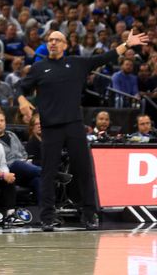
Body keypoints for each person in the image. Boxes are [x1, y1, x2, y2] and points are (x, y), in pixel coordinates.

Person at [18, 30, 150, 231]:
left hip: (73, 125)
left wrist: (127, 44)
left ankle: (89, 215)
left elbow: (105, 57)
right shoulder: (39, 67)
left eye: (57, 40)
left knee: (84, 170)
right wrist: (21, 100)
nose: (53, 43)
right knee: (48, 172)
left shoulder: (78, 63)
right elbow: (20, 87)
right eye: (50, 40)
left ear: (65, 45)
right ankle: (47, 217)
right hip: (50, 127)